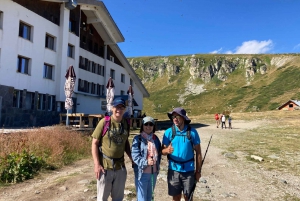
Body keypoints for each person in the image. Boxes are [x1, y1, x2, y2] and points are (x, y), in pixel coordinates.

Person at [91, 97, 133, 201]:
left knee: (118, 198)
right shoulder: (104, 122)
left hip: (120, 167)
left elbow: (125, 141)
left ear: (124, 109)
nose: (119, 109)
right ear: (112, 108)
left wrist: (132, 158)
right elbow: (94, 143)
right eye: (117, 107)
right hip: (105, 168)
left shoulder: (126, 124)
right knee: (102, 198)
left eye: (122, 107)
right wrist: (97, 164)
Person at [162, 107, 202, 201]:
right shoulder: (168, 132)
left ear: (183, 118)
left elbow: (199, 153)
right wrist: (167, 151)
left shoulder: (192, 132)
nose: (175, 118)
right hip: (173, 169)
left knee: (188, 197)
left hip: (189, 170)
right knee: (175, 197)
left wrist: (198, 172)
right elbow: (162, 151)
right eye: (173, 116)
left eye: (178, 116)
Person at [131, 116, 162, 201]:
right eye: (146, 124)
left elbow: (159, 153)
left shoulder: (155, 139)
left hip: (153, 173)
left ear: (153, 127)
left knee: (149, 198)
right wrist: (146, 162)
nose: (148, 126)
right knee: (142, 199)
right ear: (142, 126)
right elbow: (135, 156)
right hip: (142, 174)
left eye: (151, 124)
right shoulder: (137, 139)